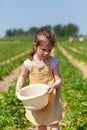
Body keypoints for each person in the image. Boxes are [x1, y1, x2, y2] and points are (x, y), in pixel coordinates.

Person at [16, 26, 62, 130]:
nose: (46, 53)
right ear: (35, 46)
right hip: (37, 98)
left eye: (49, 50)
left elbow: (59, 80)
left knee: (54, 123)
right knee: (41, 124)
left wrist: (54, 85)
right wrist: (18, 87)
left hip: (51, 98)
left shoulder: (53, 62)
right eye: (43, 49)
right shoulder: (28, 63)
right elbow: (22, 76)